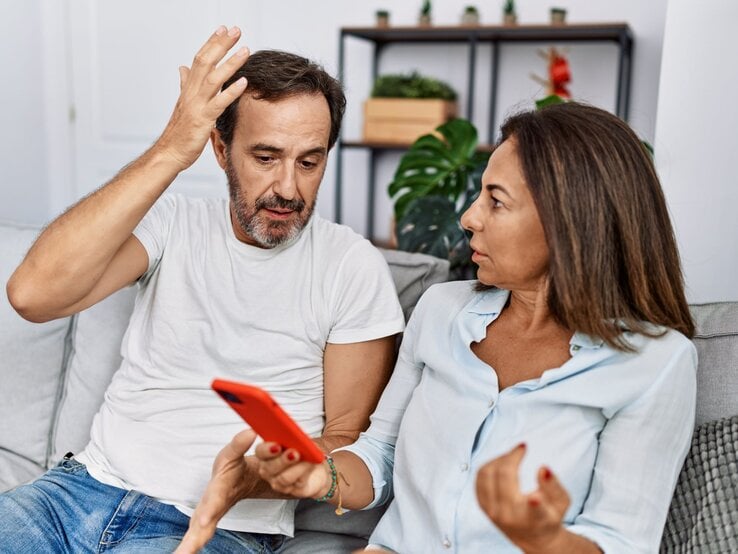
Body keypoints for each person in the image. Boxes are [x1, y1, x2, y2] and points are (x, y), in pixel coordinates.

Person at [177, 102, 697, 553]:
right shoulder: (442, 310)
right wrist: (321, 476)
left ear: (570, 222)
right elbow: (379, 453)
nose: (469, 218)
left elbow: (623, 542)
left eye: (496, 201)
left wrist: (540, 538)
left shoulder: (654, 362)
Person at [1, 26, 404, 553]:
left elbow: (348, 440)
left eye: (309, 161)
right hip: (76, 493)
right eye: (265, 157)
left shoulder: (351, 266)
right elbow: (33, 295)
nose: (288, 188)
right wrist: (171, 149)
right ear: (219, 147)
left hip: (221, 526)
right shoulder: (172, 224)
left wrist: (259, 477)